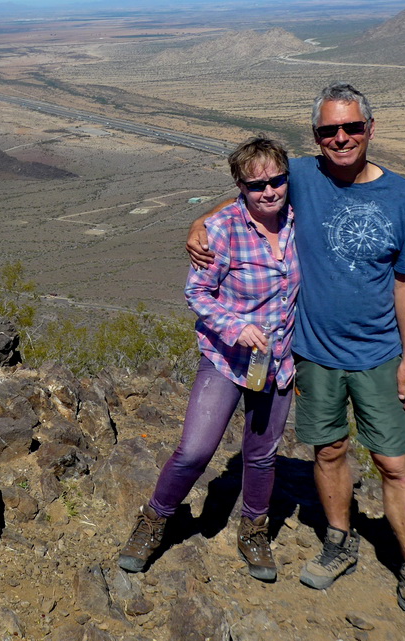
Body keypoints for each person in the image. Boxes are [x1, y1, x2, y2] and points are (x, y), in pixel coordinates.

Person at [186, 83, 405, 639]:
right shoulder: (302, 176)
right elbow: (250, 193)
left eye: (352, 127)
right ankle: (338, 540)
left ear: (370, 129)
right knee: (328, 451)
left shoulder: (402, 195)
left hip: (379, 352)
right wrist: (199, 225)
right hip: (313, 353)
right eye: (329, 130)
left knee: (393, 463)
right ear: (315, 137)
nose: (341, 138)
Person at [118, 136, 299, 583]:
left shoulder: (301, 219)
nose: (269, 191)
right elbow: (195, 292)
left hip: (278, 363)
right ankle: (154, 520)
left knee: (262, 455)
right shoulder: (222, 229)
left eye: (277, 180)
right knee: (195, 450)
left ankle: (254, 530)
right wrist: (238, 326)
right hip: (227, 358)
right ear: (240, 187)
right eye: (256, 185)